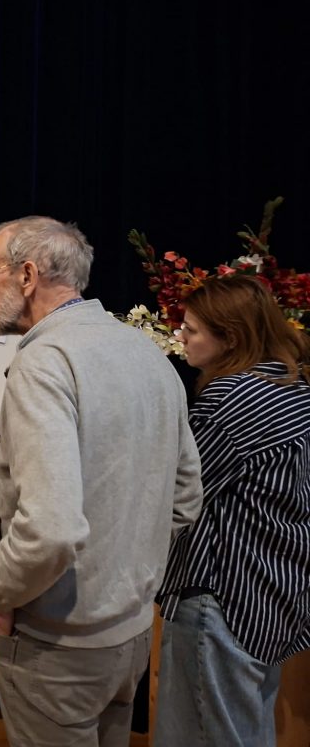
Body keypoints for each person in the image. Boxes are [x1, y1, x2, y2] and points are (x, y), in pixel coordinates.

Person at [0, 216, 203, 746]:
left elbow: (49, 528)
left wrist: (0, 593)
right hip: (130, 633)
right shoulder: (145, 351)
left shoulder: (44, 363)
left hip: (58, 647)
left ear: (27, 275)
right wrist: (127, 576)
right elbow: (186, 496)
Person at [154, 275, 310, 746]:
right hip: (272, 592)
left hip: (223, 597)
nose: (181, 336)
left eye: (192, 330)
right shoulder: (292, 388)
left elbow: (180, 494)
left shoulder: (232, 400)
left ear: (232, 339)